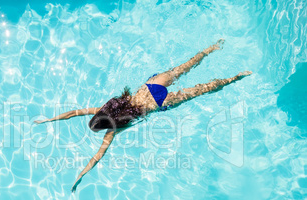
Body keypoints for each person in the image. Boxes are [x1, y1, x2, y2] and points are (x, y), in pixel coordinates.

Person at [35, 39, 252, 192]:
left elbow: (96, 157)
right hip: (151, 86)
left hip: (159, 103)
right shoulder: (104, 107)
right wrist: (49, 119)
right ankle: (212, 48)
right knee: (184, 67)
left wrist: (80, 177)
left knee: (201, 90)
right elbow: (73, 113)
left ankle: (235, 78)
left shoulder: (112, 131)